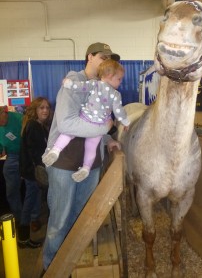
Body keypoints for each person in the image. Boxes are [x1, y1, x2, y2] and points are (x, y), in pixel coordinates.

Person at [41, 42, 121, 273]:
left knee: (79, 216)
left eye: (110, 59)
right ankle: (50, 269)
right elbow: (67, 123)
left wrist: (107, 140)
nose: (106, 62)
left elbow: (95, 123)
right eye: (102, 57)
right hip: (64, 162)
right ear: (90, 57)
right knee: (60, 220)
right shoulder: (74, 83)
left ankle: (69, 264)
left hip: (90, 165)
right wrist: (104, 130)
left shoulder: (103, 88)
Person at [42, 59, 130, 182]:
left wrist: (69, 84)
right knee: (91, 148)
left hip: (86, 118)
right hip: (99, 126)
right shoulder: (116, 95)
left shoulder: (94, 84)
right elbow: (119, 112)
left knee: (67, 134)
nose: (120, 82)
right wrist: (126, 122)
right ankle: (86, 168)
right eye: (119, 79)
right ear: (110, 76)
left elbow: (80, 87)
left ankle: (56, 150)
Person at [18, 97, 52, 249]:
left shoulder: (40, 126)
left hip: (34, 172)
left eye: (47, 107)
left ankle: (25, 236)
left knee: (33, 201)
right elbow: (33, 152)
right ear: (35, 110)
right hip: (33, 173)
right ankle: (23, 239)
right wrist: (40, 169)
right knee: (29, 202)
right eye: (41, 108)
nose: (45, 110)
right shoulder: (33, 125)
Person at [0, 106, 23, 224]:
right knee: (11, 191)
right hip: (12, 156)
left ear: (5, 112)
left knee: (33, 188)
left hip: (26, 154)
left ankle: (33, 218)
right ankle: (19, 219)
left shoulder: (19, 119)